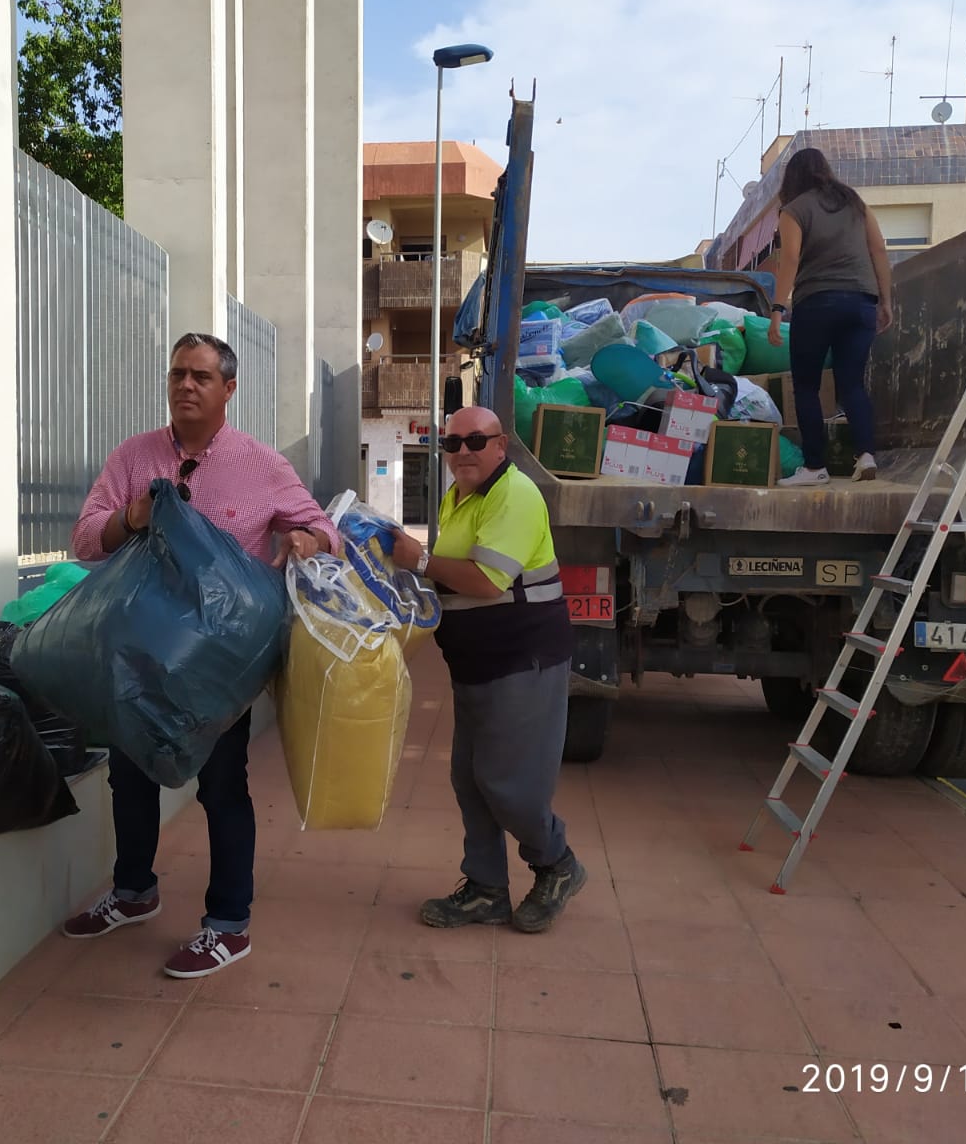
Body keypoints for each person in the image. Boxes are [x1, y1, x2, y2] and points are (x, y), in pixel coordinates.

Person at [61, 332, 337, 979]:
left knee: (221, 785)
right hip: (139, 656)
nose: (186, 385)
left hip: (218, 664)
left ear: (228, 389)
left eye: (202, 377)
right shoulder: (134, 457)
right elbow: (85, 541)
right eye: (178, 374)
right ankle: (134, 891)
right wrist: (130, 518)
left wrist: (306, 540)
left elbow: (324, 528)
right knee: (128, 775)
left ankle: (228, 924)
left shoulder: (262, 465)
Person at [390, 407, 586, 934]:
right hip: (478, 663)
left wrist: (418, 561)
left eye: (476, 441)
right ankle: (485, 889)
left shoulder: (513, 494)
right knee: (470, 780)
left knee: (509, 785)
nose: (463, 452)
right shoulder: (460, 495)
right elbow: (452, 579)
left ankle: (557, 864)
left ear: (501, 446)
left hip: (522, 659)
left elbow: (486, 581)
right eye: (452, 444)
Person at [767, 147, 894, 487]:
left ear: (792, 178)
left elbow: (790, 259)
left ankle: (814, 467)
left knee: (806, 386)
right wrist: (885, 300)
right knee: (852, 383)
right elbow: (879, 249)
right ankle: (866, 455)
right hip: (861, 302)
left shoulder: (794, 210)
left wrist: (777, 310)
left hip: (817, 303)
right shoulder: (855, 203)